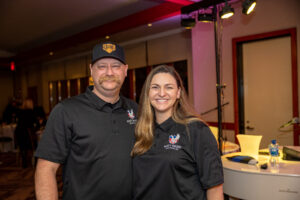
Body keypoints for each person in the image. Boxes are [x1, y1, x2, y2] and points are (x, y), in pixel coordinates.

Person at [34, 41, 138, 200]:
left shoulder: (137, 110)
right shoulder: (66, 111)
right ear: (91, 70)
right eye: (102, 66)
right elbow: (45, 169)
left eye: (116, 66)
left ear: (125, 70)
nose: (109, 72)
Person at [131, 65, 224, 200]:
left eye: (169, 87)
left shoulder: (196, 130)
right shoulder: (139, 130)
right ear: (148, 92)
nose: (161, 93)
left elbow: (215, 189)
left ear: (178, 93)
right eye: (155, 87)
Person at [14, 98, 37, 168]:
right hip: (28, 133)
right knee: (35, 144)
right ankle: (35, 162)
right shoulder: (31, 112)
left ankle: (24, 160)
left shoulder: (19, 112)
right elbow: (35, 123)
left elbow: (18, 122)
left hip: (19, 133)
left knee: (23, 147)